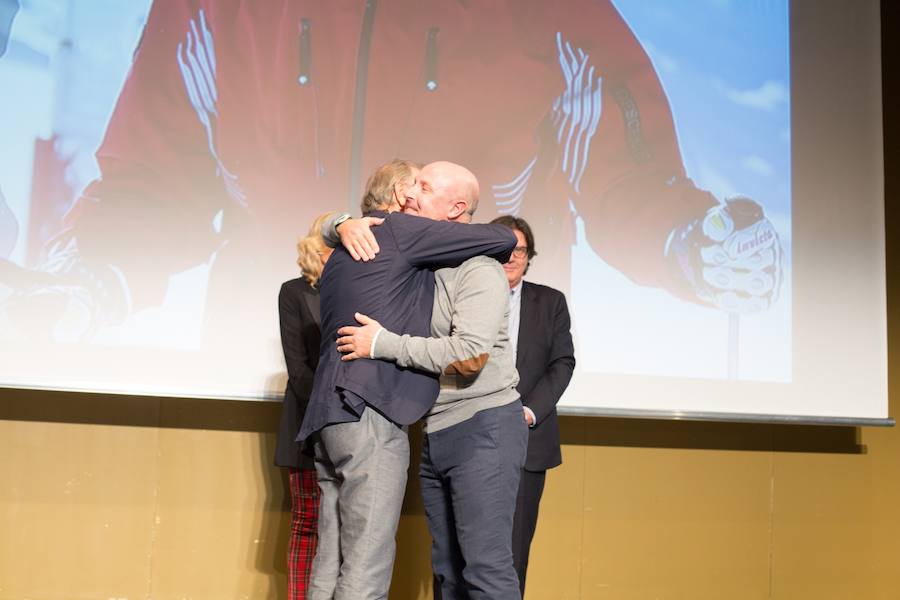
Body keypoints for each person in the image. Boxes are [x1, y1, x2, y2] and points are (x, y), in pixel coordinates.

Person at [3, 0, 781, 350]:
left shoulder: (545, 12)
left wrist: (691, 244)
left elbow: (625, 173)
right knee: (323, 570)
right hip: (295, 374)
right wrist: (97, 271)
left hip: (468, 384)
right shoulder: (217, 9)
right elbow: (154, 181)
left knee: (473, 571)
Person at [297, 159, 516, 600]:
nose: (411, 194)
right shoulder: (400, 241)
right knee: (376, 562)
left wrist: (383, 343)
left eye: (423, 186)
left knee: (340, 557)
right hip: (374, 412)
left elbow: (471, 354)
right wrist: (341, 223)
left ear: (456, 208)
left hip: (466, 423)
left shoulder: (462, 264)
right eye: (410, 185)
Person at [491, 215, 575, 597]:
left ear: (529, 256)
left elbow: (562, 363)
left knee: (513, 553)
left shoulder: (550, 302)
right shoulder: (461, 295)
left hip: (528, 439)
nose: (511, 257)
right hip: (468, 436)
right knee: (456, 553)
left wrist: (529, 411)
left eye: (520, 250)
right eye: (503, 249)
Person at [274, 211, 336, 600]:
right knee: (308, 521)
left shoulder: (367, 290)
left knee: (348, 526)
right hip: (308, 421)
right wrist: (327, 414)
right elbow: (298, 368)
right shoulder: (295, 292)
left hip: (357, 424)